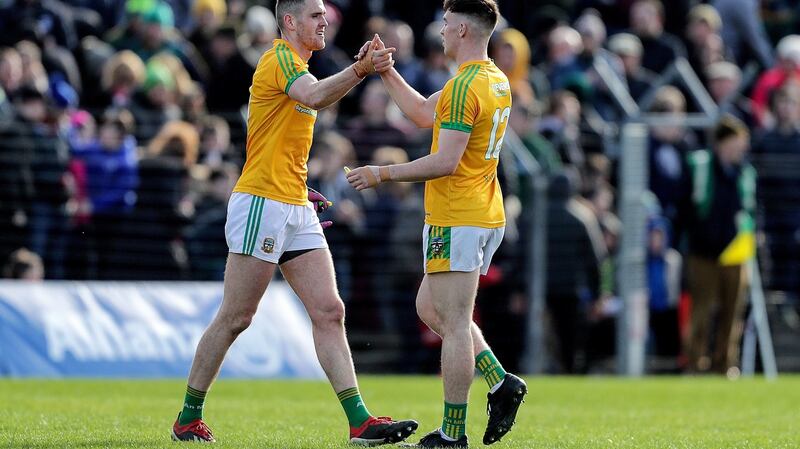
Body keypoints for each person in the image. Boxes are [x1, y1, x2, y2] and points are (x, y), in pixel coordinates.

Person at [171, 0, 418, 445]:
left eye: (325, 15)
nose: (324, 22)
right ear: (290, 22)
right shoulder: (280, 58)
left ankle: (359, 421)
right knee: (236, 317)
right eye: (315, 16)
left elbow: (291, 124)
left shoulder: (298, 66)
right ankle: (188, 416)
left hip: (292, 203)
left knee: (330, 310)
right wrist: (360, 70)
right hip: (262, 203)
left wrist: (299, 186)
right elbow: (314, 96)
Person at [347, 1, 526, 446]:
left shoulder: (467, 86)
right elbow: (427, 114)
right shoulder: (491, 79)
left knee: (456, 320)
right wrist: (386, 72)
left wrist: (382, 173)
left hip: (459, 216)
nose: (441, 32)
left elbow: (445, 161)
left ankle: (452, 432)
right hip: (479, 212)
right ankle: (501, 383)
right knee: (432, 310)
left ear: (463, 30)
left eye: (446, 25)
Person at [679, 115, 756, 376]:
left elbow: (751, 211)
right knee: (701, 310)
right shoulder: (700, 166)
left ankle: (725, 364)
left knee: (732, 313)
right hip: (703, 252)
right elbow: (686, 207)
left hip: (735, 254)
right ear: (723, 142)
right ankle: (695, 362)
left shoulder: (744, 173)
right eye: (737, 142)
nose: (741, 148)